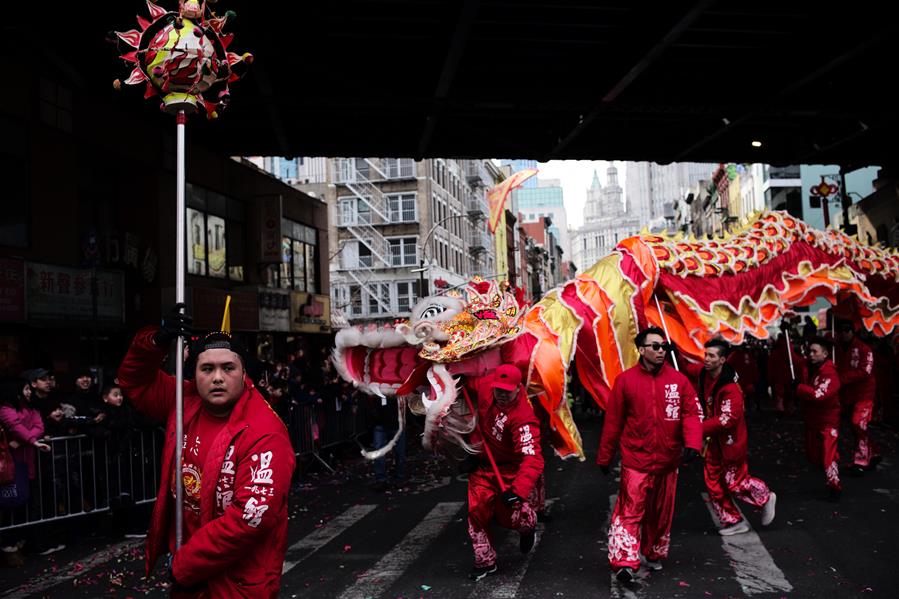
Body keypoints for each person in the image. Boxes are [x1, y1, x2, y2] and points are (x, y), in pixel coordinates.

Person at [117, 305, 296, 598]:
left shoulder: (265, 431)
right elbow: (134, 381)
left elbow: (251, 517)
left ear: (243, 373)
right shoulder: (182, 402)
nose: (217, 378)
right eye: (207, 368)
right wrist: (155, 343)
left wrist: (186, 564)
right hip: (191, 579)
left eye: (228, 368)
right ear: (194, 374)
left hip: (238, 582)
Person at [597, 327, 703, 583]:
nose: (660, 351)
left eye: (664, 346)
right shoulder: (625, 381)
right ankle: (623, 561)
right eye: (655, 346)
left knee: (660, 513)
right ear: (641, 350)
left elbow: (691, 413)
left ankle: (653, 552)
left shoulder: (679, 382)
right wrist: (604, 456)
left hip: (668, 460)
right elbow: (613, 422)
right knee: (629, 511)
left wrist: (693, 443)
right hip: (636, 461)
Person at [464, 364, 544, 581]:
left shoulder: (523, 417)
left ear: (518, 388)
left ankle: (528, 527)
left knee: (512, 518)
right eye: (498, 389)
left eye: (507, 391)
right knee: (477, 511)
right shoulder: (485, 386)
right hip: (484, 466)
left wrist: (518, 491)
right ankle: (485, 560)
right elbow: (467, 383)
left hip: (510, 471)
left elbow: (532, 458)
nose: (502, 394)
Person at [694, 339, 775, 535]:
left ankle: (764, 496)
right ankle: (733, 521)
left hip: (730, 441)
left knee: (734, 482)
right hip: (712, 440)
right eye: (706, 355)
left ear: (722, 359)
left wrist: (698, 428)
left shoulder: (730, 387)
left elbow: (728, 419)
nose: (706, 359)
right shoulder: (705, 374)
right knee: (712, 481)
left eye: (712, 356)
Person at [794, 337, 842, 501]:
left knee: (829, 454)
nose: (811, 355)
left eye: (815, 352)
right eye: (810, 352)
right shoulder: (812, 369)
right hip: (813, 421)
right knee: (816, 455)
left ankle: (835, 486)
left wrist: (799, 388)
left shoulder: (830, 374)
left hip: (828, 421)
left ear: (825, 354)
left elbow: (818, 395)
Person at [834, 321, 881, 475]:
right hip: (848, 394)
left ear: (852, 332)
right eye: (841, 331)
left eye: (847, 330)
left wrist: (843, 378)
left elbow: (865, 372)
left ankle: (861, 461)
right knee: (857, 427)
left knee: (858, 424)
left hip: (864, 393)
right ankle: (873, 453)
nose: (844, 333)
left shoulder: (864, 349)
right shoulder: (837, 348)